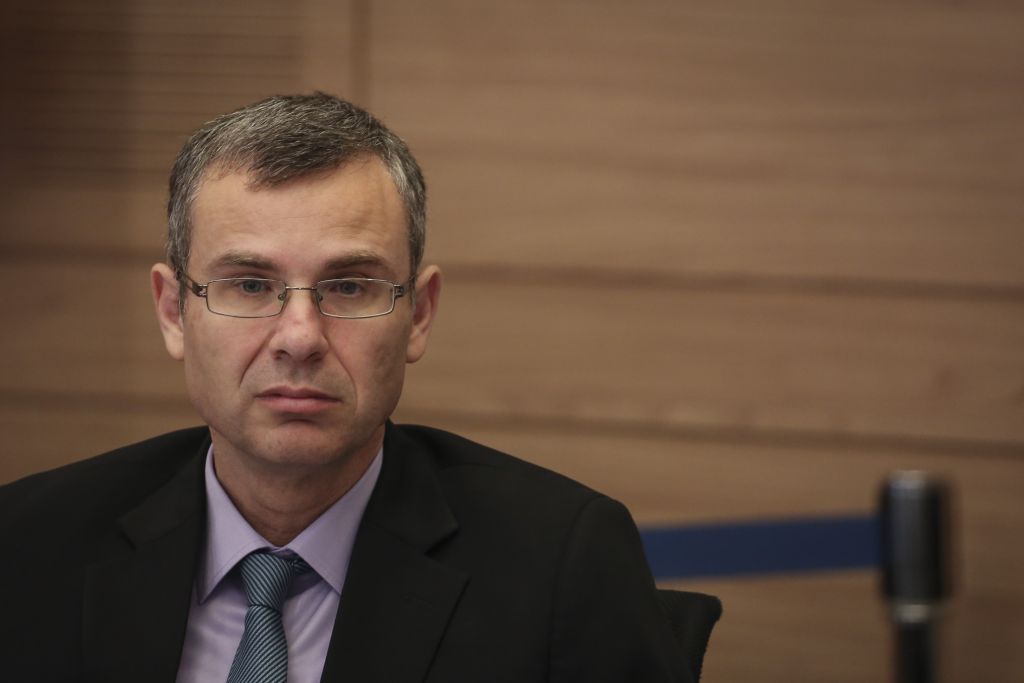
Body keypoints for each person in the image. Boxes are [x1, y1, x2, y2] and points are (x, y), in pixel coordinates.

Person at [0, 93, 692, 682]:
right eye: (250, 285)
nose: (299, 336)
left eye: (351, 286)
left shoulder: (562, 562)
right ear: (173, 312)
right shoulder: (27, 543)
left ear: (418, 315)